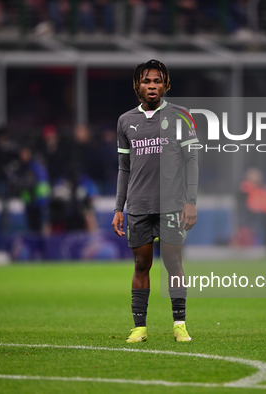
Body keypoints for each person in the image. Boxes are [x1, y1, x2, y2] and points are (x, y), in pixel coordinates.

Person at [111, 60, 199, 343]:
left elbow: (192, 161)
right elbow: (124, 168)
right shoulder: (125, 121)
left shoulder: (181, 116)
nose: (152, 86)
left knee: (173, 263)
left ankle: (179, 324)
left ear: (166, 85)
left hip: (172, 205)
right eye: (147, 81)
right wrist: (118, 208)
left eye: (157, 81)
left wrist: (191, 201)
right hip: (138, 206)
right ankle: (140, 327)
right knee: (141, 265)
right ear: (137, 85)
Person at [238, 167, 266, 254]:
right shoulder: (245, 188)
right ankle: (265, 245)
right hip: (254, 215)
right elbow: (249, 205)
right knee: (262, 223)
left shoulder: (265, 188)